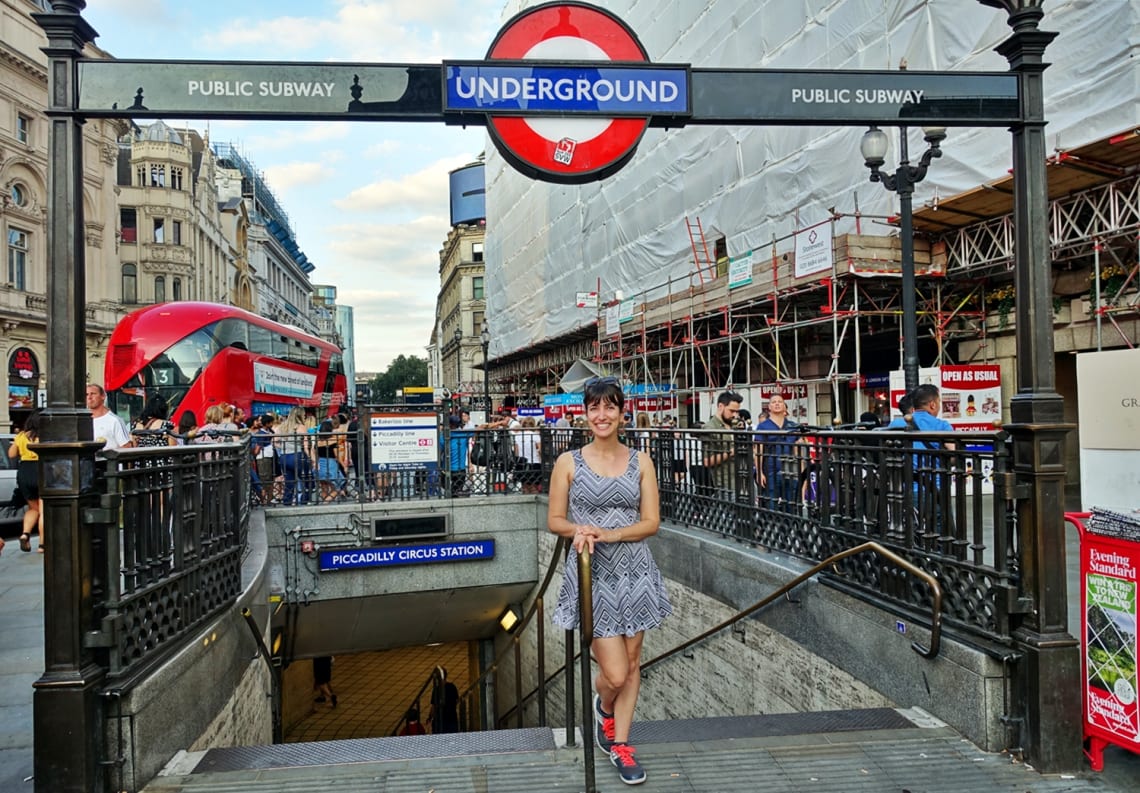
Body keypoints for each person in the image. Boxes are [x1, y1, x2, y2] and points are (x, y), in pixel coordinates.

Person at [548, 376, 672, 786]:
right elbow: (555, 520)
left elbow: (651, 522)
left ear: (621, 413)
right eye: (594, 408)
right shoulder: (568, 462)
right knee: (615, 674)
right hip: (592, 572)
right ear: (585, 414)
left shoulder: (641, 461)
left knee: (634, 664)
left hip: (635, 571)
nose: (602, 416)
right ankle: (605, 708)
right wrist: (578, 530)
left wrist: (613, 533)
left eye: (610, 408)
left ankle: (620, 744)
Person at [754, 394, 801, 513]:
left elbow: (798, 450)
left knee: (791, 503)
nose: (777, 403)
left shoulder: (792, 426)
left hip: (790, 469)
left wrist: (801, 471)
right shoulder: (763, 426)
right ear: (769, 407)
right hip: (771, 469)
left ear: (785, 406)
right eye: (774, 402)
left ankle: (789, 528)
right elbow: (758, 450)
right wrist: (759, 472)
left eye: (780, 401)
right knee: (771, 503)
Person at [8, 410, 43, 553]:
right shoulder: (46, 435)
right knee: (44, 510)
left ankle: (25, 533)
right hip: (41, 470)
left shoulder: (22, 436)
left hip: (24, 472)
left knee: (33, 508)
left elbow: (11, 454)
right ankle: (42, 545)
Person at [702, 390, 743, 493]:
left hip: (744, 478)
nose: (735, 415)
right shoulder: (710, 428)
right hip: (727, 483)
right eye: (731, 411)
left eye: (737, 411)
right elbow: (707, 461)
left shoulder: (734, 425)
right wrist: (731, 452)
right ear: (721, 406)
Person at [86, 383, 131, 450]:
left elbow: (126, 447)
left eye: (93, 394)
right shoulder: (83, 420)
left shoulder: (114, 420)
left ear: (103, 396)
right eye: (86, 394)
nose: (89, 397)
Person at [428, 666, 460, 734]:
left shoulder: (436, 690)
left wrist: (430, 718)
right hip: (452, 719)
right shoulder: (452, 687)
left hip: (440, 720)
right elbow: (456, 701)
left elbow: (433, 707)